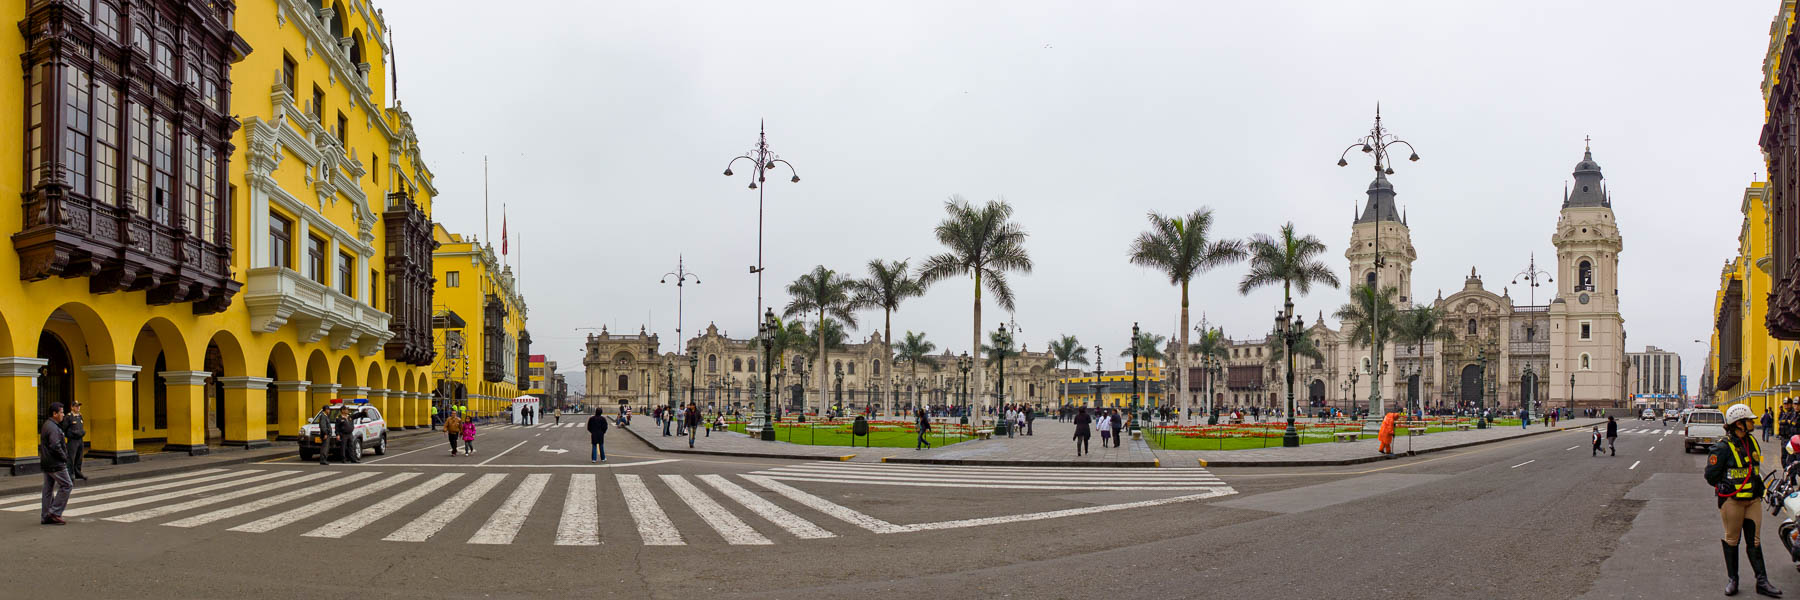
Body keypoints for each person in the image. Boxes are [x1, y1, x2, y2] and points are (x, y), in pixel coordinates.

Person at [1707, 404, 1784, 598]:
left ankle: (1762, 581)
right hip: (1732, 502)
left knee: (1755, 541)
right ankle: (1733, 579)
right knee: (1732, 540)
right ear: (1738, 423)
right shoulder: (1722, 447)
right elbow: (1710, 475)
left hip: (1753, 501)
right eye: (1749, 420)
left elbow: (1755, 470)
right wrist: (1727, 486)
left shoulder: (1752, 442)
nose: (1752, 422)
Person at [39, 402, 71, 525]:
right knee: (67, 485)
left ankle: (46, 516)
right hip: (55, 463)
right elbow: (55, 446)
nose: (63, 414)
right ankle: (55, 512)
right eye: (61, 412)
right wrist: (64, 457)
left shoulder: (48, 425)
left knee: (48, 488)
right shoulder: (52, 427)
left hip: (47, 462)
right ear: (55, 413)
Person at [62, 401, 87, 481]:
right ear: (72, 407)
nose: (78, 407)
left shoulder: (80, 416)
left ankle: (78, 472)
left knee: (79, 457)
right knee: (71, 458)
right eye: (76, 406)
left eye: (79, 406)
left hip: (80, 440)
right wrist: (71, 434)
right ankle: (70, 474)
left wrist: (82, 432)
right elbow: (64, 429)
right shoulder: (68, 417)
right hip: (72, 440)